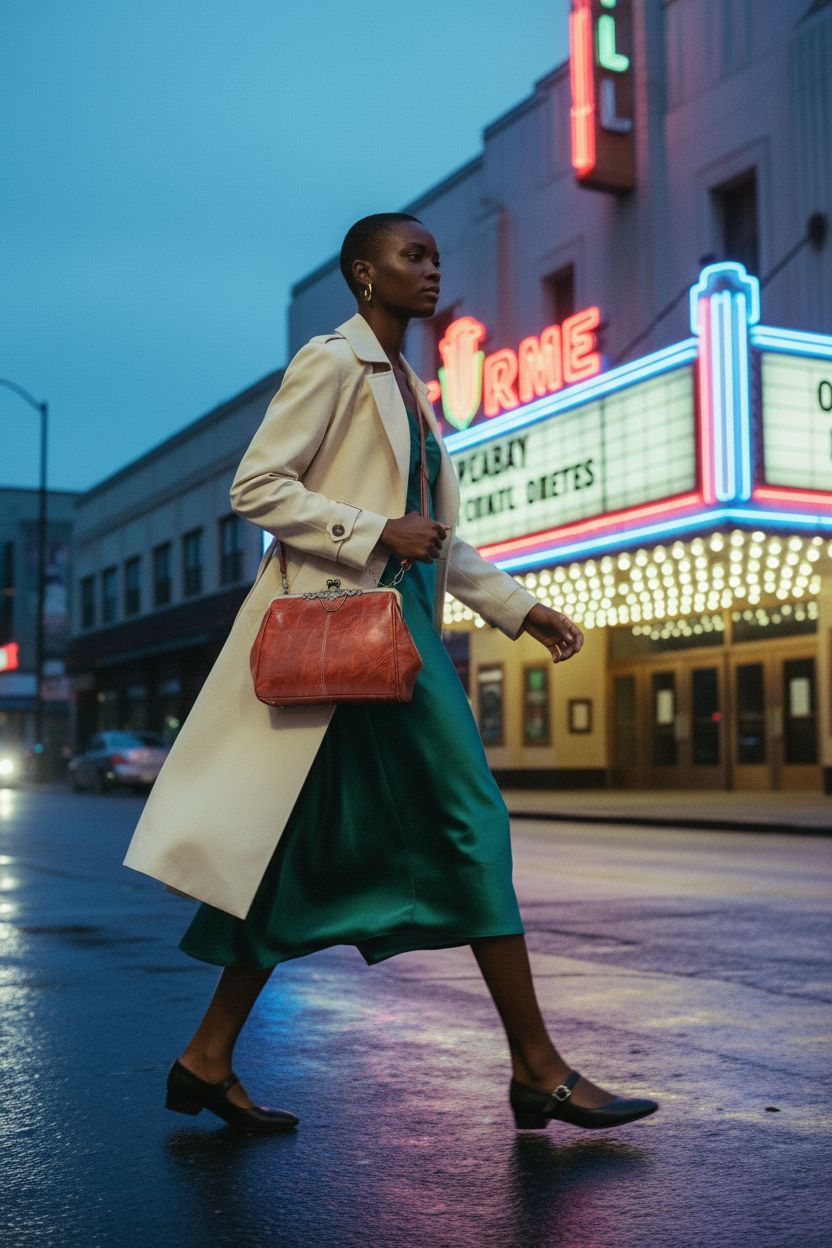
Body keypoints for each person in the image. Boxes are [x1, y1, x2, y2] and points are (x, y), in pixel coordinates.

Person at [155, 213, 659, 1134]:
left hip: (394, 634)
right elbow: (257, 486)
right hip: (351, 633)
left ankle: (207, 1057)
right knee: (472, 817)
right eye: (412, 256)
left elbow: (436, 534)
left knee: (294, 851)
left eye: (435, 258)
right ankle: (536, 1067)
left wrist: (516, 605)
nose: (431, 272)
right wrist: (372, 530)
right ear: (363, 273)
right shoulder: (333, 362)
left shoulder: (409, 389)